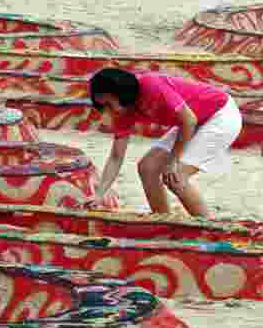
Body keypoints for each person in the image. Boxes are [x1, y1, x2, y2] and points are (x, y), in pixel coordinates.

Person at [89, 67, 242, 217]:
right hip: (194, 120)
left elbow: (188, 120)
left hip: (221, 115)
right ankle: (163, 219)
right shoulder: (121, 111)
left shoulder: (151, 85)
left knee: (175, 177)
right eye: (102, 106)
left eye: (108, 104)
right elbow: (116, 156)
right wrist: (99, 194)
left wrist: (173, 160)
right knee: (148, 167)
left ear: (121, 93)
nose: (107, 111)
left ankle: (210, 229)